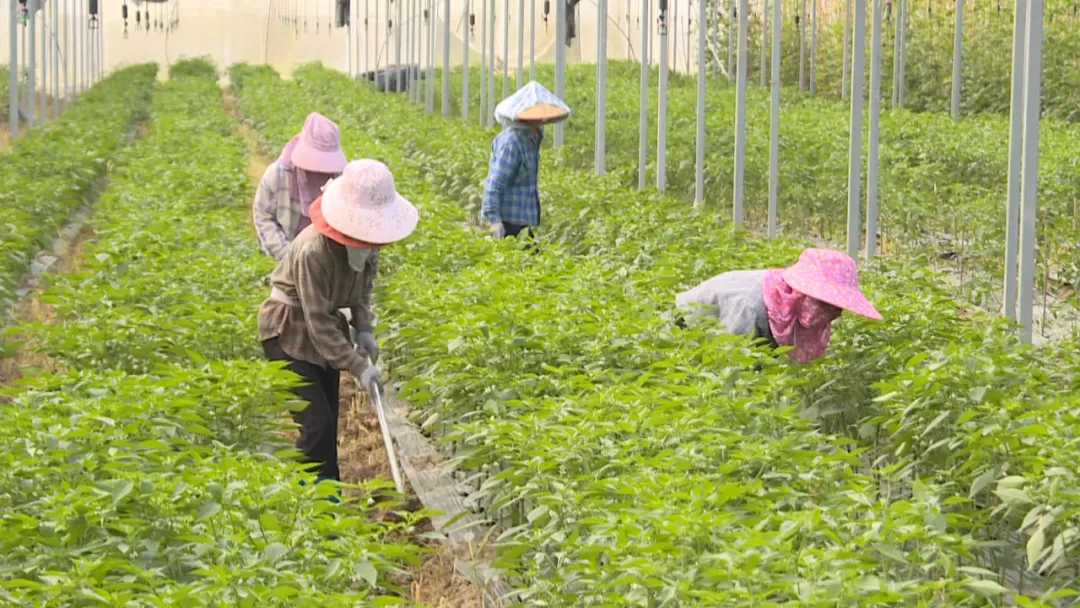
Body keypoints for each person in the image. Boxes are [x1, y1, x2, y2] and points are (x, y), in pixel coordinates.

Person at [258, 159, 418, 485]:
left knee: (329, 423)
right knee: (315, 425)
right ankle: (306, 501)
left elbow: (361, 295)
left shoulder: (369, 249)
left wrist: (364, 329)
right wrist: (358, 366)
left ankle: (328, 501)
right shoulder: (312, 252)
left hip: (325, 332)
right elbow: (317, 321)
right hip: (287, 331)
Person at [675, 249, 882, 364]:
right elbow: (726, 359)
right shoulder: (752, 308)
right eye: (827, 304)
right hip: (683, 328)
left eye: (838, 306)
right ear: (804, 294)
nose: (835, 314)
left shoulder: (787, 306)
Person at [253, 112, 348, 261]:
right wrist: (287, 257)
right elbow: (263, 216)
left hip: (326, 262)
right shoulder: (278, 175)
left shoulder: (341, 180)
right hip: (284, 257)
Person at [482, 81, 570, 240]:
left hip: (522, 223)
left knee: (531, 260)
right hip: (507, 223)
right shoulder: (512, 143)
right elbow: (494, 185)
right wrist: (494, 221)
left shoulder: (531, 139)